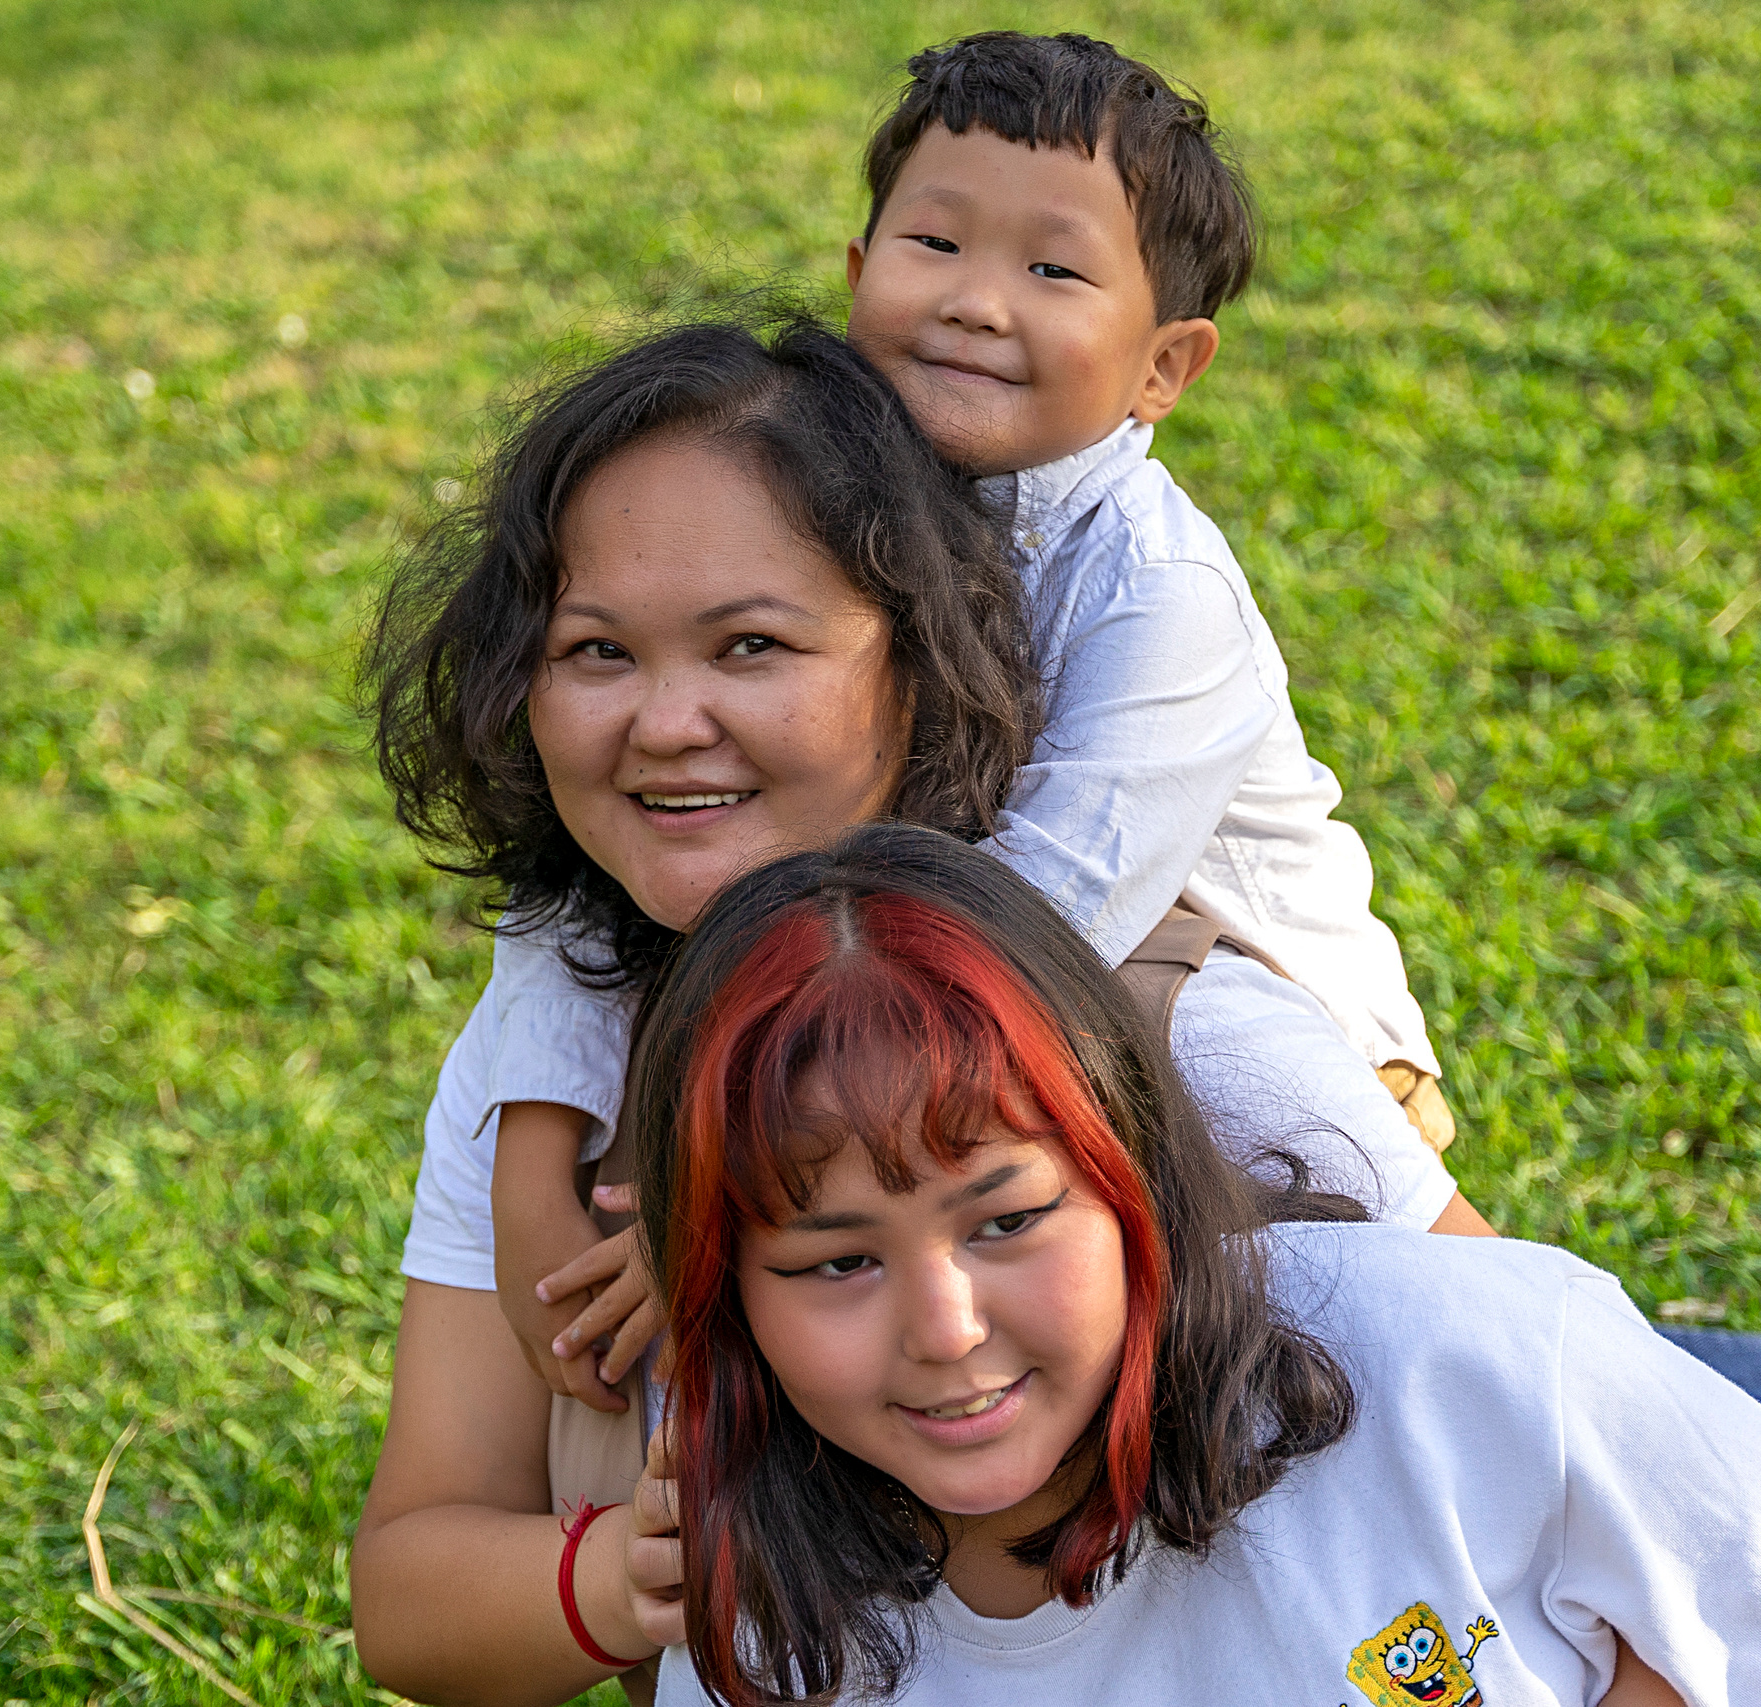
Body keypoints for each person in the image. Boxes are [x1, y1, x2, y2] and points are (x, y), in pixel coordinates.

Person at [351, 315, 1476, 1707]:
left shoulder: (1166, 1027)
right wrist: (635, 1569)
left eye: (752, 645)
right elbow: (409, 1593)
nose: (664, 721)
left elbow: (1520, 1399)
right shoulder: (559, 1075)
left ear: (919, 653)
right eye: (594, 653)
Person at [390, 27, 1478, 1426]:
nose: (975, 303)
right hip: (963, 995)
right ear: (856, 278)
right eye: (935, 246)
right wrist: (541, 1120)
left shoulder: (1165, 594)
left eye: (1054, 271)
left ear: (1164, 368)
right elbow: (580, 862)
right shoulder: (820, 499)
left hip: (1225, 1036)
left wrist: (725, 1198)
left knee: (1362, 1380)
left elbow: (1051, 901)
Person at [609, 825, 1761, 1707]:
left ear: (1134, 1184)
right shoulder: (775, 1627)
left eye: (1006, 1219)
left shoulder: (1471, 1351)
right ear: (726, 1305)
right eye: (837, 1262)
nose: (945, 1326)